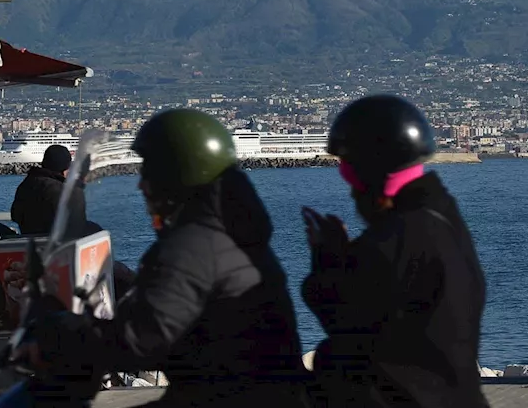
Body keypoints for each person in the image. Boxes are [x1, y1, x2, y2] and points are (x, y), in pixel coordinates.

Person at [32, 109, 309, 407]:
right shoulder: (232, 232)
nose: (141, 185)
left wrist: (69, 336)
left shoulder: (194, 246)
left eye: (149, 173)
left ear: (175, 177)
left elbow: (141, 338)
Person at [301, 94, 491, 408]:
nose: (350, 189)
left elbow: (343, 317)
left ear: (370, 168)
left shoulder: (398, 239)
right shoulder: (443, 217)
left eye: (349, 173)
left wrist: (327, 260)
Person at [10, 143, 101, 240]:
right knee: (97, 231)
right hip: (55, 244)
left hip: (29, 240)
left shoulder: (27, 184)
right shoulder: (62, 190)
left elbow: (15, 215)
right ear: (66, 168)